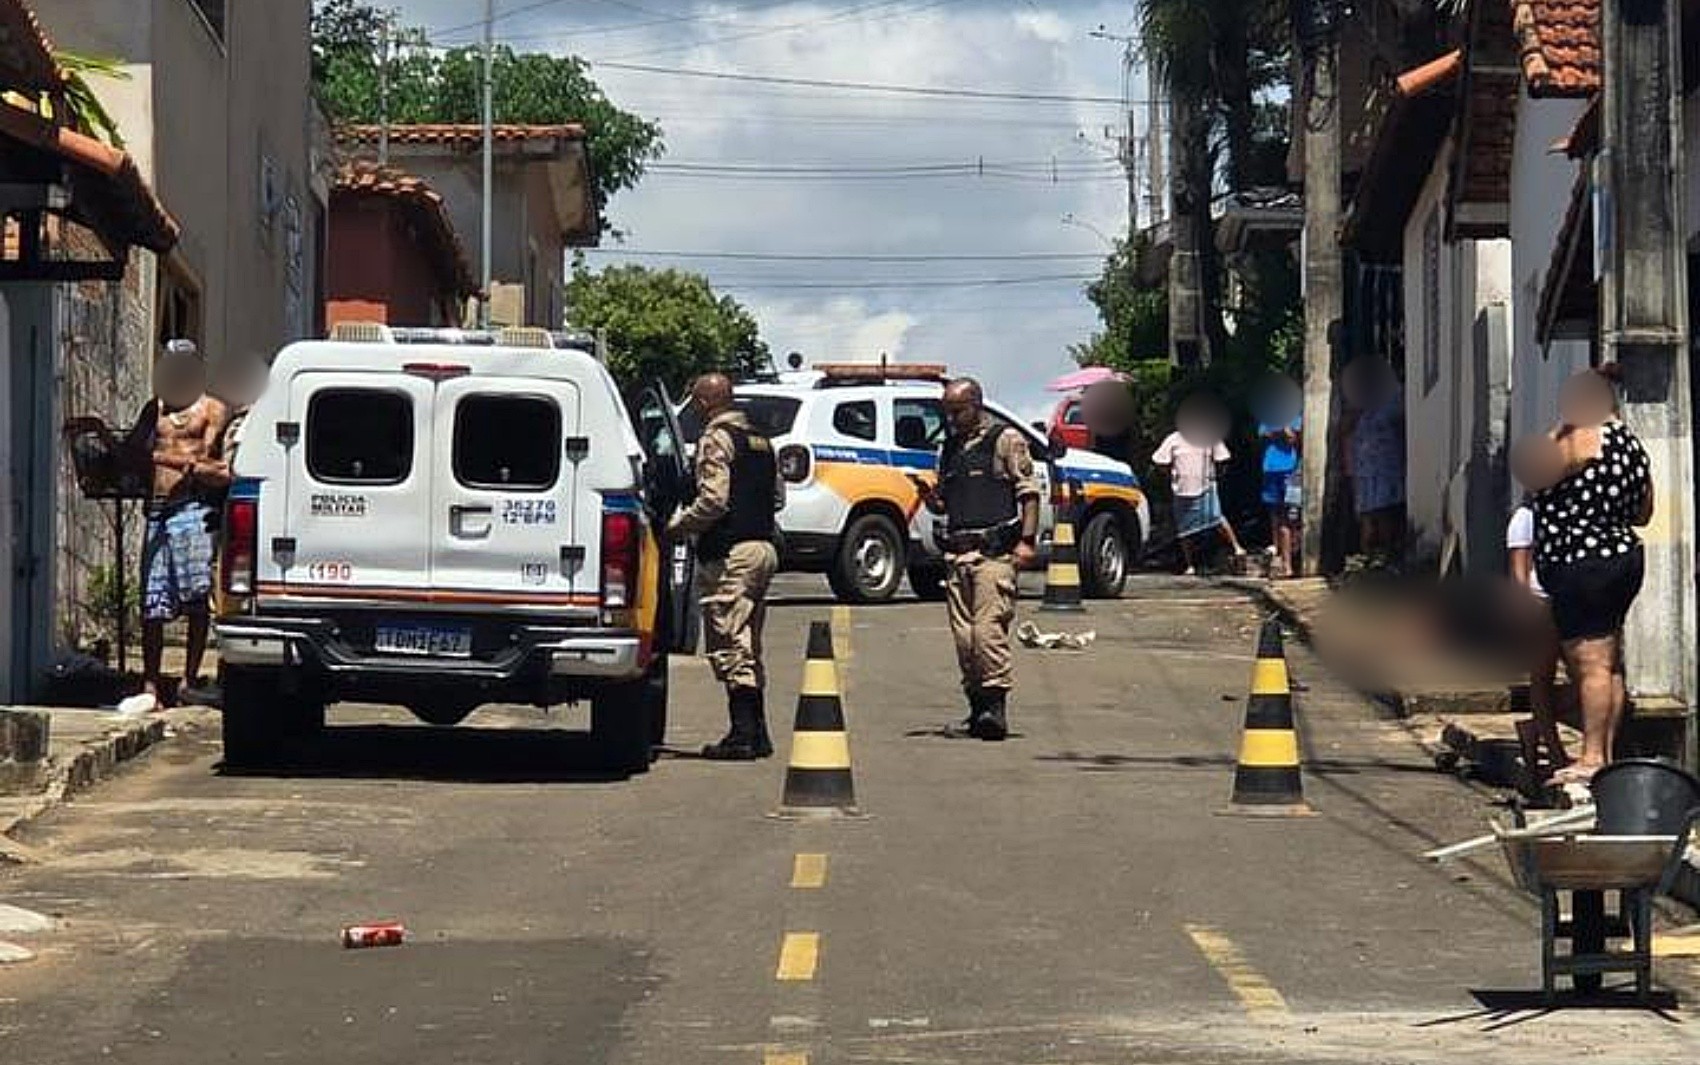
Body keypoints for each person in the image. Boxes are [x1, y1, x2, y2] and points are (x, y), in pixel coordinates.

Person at [1525, 367, 1652, 785]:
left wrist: (1556, 430)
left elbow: (1534, 471)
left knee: (1591, 663)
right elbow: (1644, 511)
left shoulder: (1581, 437)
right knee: (1609, 663)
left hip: (1583, 563)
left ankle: (1592, 756)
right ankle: (1606, 753)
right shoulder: (1632, 447)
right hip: (1621, 556)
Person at [912, 378, 1041, 741]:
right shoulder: (951, 447)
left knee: (988, 632)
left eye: (958, 410)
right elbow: (947, 502)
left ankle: (994, 710)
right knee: (964, 638)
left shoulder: (1005, 441)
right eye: (947, 411)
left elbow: (1028, 494)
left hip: (993, 553)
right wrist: (929, 497)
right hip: (958, 552)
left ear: (976, 404)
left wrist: (1026, 542)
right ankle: (976, 707)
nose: (951, 418)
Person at [669, 373, 784, 761]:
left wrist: (679, 527)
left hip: (731, 550)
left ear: (703, 403)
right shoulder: (761, 441)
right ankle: (758, 732)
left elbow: (714, 500)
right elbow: (778, 497)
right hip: (763, 547)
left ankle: (744, 734)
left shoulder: (716, 439)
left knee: (729, 640)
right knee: (748, 640)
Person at [127, 340, 228, 708]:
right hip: (156, 510)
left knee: (196, 597)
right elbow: (133, 450)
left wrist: (171, 461)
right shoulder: (154, 410)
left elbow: (214, 463)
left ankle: (189, 678)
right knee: (152, 600)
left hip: (192, 509)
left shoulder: (211, 409)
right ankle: (151, 683)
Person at [1504, 467, 1566, 776]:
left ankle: (1534, 726)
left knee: (1591, 681)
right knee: (1543, 677)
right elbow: (1519, 568)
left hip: (1573, 599)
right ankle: (1554, 751)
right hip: (1541, 601)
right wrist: (1526, 604)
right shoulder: (1526, 517)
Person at [1152, 397, 1246, 576]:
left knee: (1216, 518)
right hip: (1182, 488)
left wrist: (1216, 475)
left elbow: (1222, 458)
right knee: (1184, 530)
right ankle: (1190, 564)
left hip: (1205, 485)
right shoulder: (1174, 439)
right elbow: (1159, 460)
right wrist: (1171, 473)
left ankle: (1237, 548)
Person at [1344, 358, 1406, 564]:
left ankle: (1388, 560)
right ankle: (1369, 562)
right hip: (1365, 471)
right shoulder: (1361, 406)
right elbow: (1347, 435)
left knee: (1385, 516)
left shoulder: (1396, 399)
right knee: (1367, 520)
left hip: (1387, 468)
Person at [1258, 410, 1302, 579]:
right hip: (1270, 468)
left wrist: (1283, 430)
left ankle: (1292, 557)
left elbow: (1293, 438)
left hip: (1291, 470)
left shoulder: (1297, 417)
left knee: (1292, 516)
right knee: (1276, 512)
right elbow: (1264, 434)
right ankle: (1282, 557)